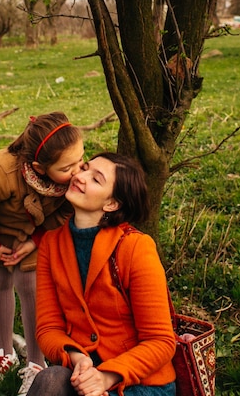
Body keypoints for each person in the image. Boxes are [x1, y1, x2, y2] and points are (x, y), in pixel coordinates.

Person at [28, 152, 176, 396]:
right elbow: (48, 328)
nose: (80, 177)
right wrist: (77, 358)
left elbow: (160, 341)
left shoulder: (135, 247)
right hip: (83, 374)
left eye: (96, 179)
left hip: (139, 381)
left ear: (111, 204)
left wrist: (105, 378)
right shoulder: (51, 245)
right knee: (50, 378)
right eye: (85, 168)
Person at [0, 112, 84, 395]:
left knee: (29, 285)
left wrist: (35, 241)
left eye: (80, 159)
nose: (78, 171)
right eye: (68, 167)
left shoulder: (71, 175)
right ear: (39, 168)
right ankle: (4, 352)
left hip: (34, 234)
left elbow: (65, 212)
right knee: (2, 279)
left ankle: (36, 364)